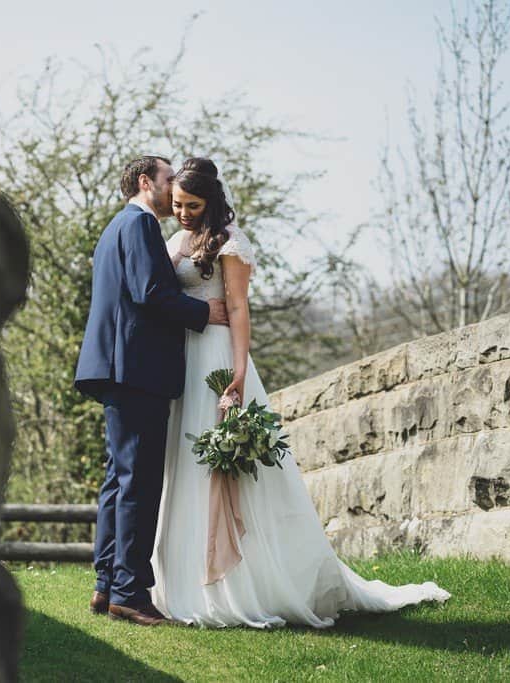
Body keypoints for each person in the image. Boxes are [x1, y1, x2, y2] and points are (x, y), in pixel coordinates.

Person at [150, 158, 450, 628]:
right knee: (183, 464)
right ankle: (185, 579)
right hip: (182, 360)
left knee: (225, 472)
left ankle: (248, 582)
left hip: (217, 357)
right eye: (177, 204)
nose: (183, 212)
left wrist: (240, 372)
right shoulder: (174, 241)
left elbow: (238, 307)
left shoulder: (229, 242)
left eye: (192, 205)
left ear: (211, 203)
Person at [74, 155, 229, 626]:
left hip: (118, 368)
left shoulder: (115, 227)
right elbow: (150, 293)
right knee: (139, 481)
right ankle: (130, 592)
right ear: (146, 182)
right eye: (167, 181)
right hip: (136, 369)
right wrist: (206, 315)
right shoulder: (140, 225)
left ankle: (106, 583)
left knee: (119, 480)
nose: (174, 191)